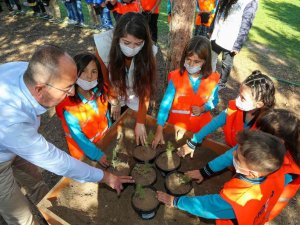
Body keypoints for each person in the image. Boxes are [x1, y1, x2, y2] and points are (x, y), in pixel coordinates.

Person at [0, 45, 134, 225]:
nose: (72, 92)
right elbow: (58, 161)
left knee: (34, 179)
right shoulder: (13, 123)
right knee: (20, 215)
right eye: (67, 88)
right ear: (40, 89)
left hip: (14, 139)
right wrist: (106, 177)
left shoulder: (25, 71)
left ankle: (48, 210)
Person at [157, 130, 286, 225]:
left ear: (252, 173)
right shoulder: (277, 173)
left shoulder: (236, 199)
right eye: (236, 150)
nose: (233, 153)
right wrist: (205, 172)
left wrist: (176, 201)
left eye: (237, 158)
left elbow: (206, 206)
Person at [177, 70, 275, 158]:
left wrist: (205, 171)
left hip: (245, 157)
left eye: (242, 98)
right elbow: (214, 123)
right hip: (230, 146)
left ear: (259, 104)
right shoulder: (235, 108)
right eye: (239, 94)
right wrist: (194, 140)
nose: (236, 100)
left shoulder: (263, 127)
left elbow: (235, 154)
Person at [94, 12, 157, 146]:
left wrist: (140, 121)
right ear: (117, 38)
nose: (132, 48)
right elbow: (105, 79)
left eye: (138, 43)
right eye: (126, 42)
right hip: (115, 88)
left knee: (135, 124)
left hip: (136, 92)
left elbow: (145, 90)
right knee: (116, 121)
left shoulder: (149, 51)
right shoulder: (103, 46)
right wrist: (114, 100)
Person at [152, 36, 220, 149]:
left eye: (197, 61)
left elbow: (214, 100)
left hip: (199, 131)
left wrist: (203, 108)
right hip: (176, 128)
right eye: (188, 59)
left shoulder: (213, 79)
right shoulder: (175, 77)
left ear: (205, 61)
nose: (191, 64)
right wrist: (159, 129)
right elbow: (165, 104)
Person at [56, 53, 111, 168]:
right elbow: (78, 136)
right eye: (84, 71)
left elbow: (106, 114)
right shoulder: (69, 107)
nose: (89, 76)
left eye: (94, 72)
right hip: (84, 152)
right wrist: (96, 154)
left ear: (99, 74)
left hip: (103, 142)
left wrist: (110, 130)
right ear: (74, 74)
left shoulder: (102, 90)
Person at [255, 109, 300, 220]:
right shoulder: (274, 148)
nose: (257, 133)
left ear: (280, 140)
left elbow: (261, 193)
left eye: (262, 133)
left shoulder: (287, 171)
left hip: (261, 209)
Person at [210, 0, 258, 90]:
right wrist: (212, 27)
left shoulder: (251, 2)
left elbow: (246, 25)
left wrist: (238, 45)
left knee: (226, 63)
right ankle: (210, 77)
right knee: (211, 57)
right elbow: (218, 11)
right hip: (217, 33)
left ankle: (221, 83)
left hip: (231, 39)